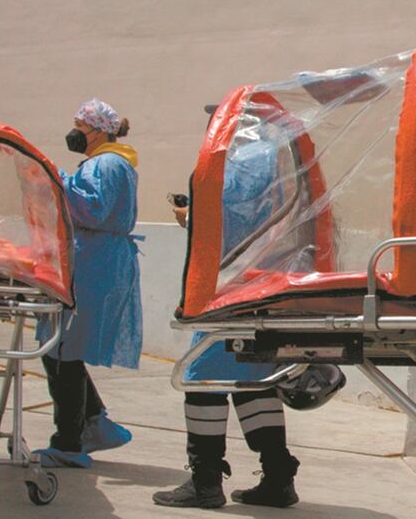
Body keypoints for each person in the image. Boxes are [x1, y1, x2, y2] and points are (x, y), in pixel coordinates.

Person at [153, 129, 300, 509]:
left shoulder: (242, 163)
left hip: (231, 289)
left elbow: (229, 226)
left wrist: (190, 217)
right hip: (266, 285)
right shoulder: (278, 157)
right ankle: (278, 477)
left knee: (202, 378)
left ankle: (204, 482)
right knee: (253, 379)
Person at [34, 98, 142, 468]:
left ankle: (68, 442)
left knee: (62, 349)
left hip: (93, 262)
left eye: (81, 125)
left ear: (99, 130)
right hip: (94, 259)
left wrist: (57, 177)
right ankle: (95, 424)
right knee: (65, 348)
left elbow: (90, 209)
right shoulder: (110, 162)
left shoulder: (107, 163)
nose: (75, 131)